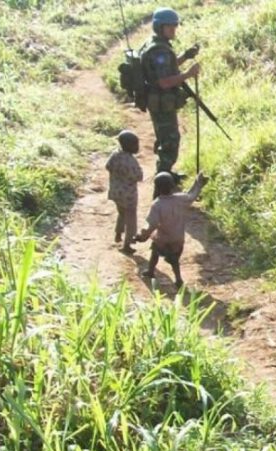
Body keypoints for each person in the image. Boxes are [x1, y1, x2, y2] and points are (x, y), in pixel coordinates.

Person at [140, 7, 200, 177]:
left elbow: (165, 70)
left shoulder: (155, 44)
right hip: (161, 102)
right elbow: (164, 82)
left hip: (158, 101)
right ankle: (163, 182)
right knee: (170, 142)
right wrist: (188, 74)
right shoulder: (159, 50)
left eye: (175, 26)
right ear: (160, 27)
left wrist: (185, 56)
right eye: (170, 27)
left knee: (165, 139)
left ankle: (166, 174)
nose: (174, 30)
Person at [137, 171, 206, 288]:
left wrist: (142, 235)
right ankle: (178, 279)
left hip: (162, 239)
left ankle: (151, 271)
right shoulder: (181, 199)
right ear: (173, 186)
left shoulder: (157, 205)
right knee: (175, 261)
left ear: (157, 188)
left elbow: (151, 224)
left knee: (155, 253)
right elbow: (192, 195)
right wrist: (198, 183)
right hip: (178, 238)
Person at [105, 130, 143, 254]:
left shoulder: (115, 154)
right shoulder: (131, 161)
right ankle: (127, 244)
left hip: (116, 192)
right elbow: (138, 176)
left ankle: (118, 234)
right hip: (129, 196)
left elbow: (108, 166)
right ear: (128, 146)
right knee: (131, 220)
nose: (137, 147)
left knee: (121, 214)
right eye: (135, 145)